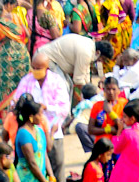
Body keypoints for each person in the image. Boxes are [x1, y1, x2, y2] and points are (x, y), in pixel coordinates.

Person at [11, 53, 74, 182]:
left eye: (39, 68)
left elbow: (64, 108)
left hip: (53, 131)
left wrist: (46, 107)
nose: (35, 71)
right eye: (33, 67)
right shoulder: (26, 80)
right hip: (30, 133)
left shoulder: (57, 81)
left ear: (47, 68)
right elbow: (15, 102)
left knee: (57, 171)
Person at [0, 0, 30, 119]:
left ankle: (9, 117)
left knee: (7, 87)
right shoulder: (16, 17)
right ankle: (25, 113)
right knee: (22, 83)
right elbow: (26, 33)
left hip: (7, 56)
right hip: (22, 52)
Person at [38, 35, 114, 104]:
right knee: (63, 87)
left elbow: (85, 74)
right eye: (102, 59)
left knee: (69, 85)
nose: (102, 62)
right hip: (47, 59)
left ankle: (66, 113)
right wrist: (93, 94)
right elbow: (78, 80)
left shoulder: (90, 47)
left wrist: (91, 89)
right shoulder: (86, 53)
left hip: (54, 61)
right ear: (98, 52)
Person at [14, 99, 53, 182]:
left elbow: (44, 154)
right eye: (40, 114)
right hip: (27, 178)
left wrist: (51, 175)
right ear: (31, 116)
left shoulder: (39, 131)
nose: (42, 117)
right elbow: (32, 163)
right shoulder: (24, 134)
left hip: (41, 177)